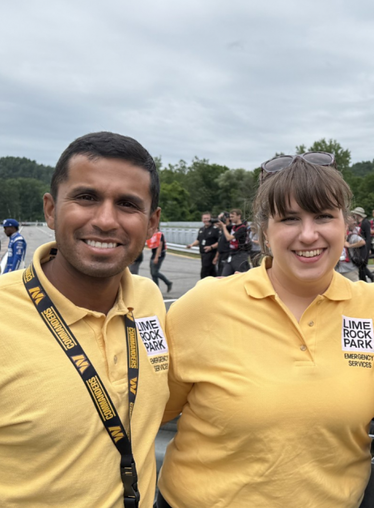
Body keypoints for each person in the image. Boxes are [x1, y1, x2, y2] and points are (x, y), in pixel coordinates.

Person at [157, 151, 374, 507]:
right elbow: (152, 413)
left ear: (345, 226)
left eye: (324, 216)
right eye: (290, 219)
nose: (308, 234)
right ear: (264, 231)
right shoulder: (205, 305)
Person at [0, 131, 169, 507]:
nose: (106, 220)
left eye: (127, 204)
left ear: (152, 222)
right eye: (86, 197)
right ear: (50, 209)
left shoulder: (149, 300)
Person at [186, 212, 219, 278]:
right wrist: (191, 245)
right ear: (202, 219)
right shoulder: (201, 229)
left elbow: (220, 242)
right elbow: (198, 240)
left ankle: (202, 284)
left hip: (211, 253)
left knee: (204, 272)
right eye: (204, 218)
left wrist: (211, 247)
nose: (206, 220)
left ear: (211, 219)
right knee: (212, 272)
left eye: (207, 218)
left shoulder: (215, 229)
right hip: (203, 254)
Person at [219, 208, 250, 276]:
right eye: (230, 217)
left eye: (233, 217)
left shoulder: (242, 228)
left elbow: (229, 238)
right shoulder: (233, 227)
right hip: (232, 254)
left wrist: (224, 227)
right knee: (224, 275)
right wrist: (221, 218)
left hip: (240, 254)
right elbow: (224, 225)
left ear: (239, 216)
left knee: (239, 275)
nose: (231, 218)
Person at [336, 213, 366, 281]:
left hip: (350, 269)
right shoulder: (335, 238)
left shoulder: (351, 237)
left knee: (355, 289)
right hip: (337, 269)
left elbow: (362, 242)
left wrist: (350, 245)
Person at [351, 207, 374, 282]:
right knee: (361, 266)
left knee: (362, 265)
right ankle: (370, 277)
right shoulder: (358, 223)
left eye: (355, 214)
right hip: (360, 247)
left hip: (364, 247)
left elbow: (368, 237)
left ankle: (366, 280)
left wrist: (368, 249)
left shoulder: (365, 223)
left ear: (358, 215)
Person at [146, 227, 173, 293]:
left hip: (159, 255)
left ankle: (168, 283)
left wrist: (156, 257)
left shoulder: (160, 235)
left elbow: (159, 247)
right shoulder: (153, 235)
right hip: (154, 254)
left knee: (155, 272)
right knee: (153, 273)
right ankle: (156, 288)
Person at [213, 211, 231, 276]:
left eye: (220, 219)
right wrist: (216, 256)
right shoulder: (222, 230)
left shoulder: (229, 228)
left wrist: (224, 223)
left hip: (227, 253)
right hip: (221, 254)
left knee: (223, 274)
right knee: (219, 272)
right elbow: (220, 244)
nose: (218, 221)